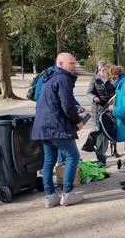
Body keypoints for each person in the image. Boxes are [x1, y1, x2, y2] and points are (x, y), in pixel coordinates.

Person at [32, 52, 85, 208]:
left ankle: (50, 196)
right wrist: (77, 121)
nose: (73, 67)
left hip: (42, 126)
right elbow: (67, 106)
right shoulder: (63, 78)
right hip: (55, 125)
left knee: (49, 160)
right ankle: (67, 193)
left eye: (74, 63)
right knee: (73, 156)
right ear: (60, 64)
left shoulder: (49, 78)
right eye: (71, 64)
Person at [81, 60, 116, 165]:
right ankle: (100, 156)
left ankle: (112, 150)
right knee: (100, 133)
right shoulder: (95, 79)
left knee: (108, 132)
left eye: (105, 69)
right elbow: (89, 93)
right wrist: (94, 98)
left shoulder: (112, 78)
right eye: (102, 70)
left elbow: (117, 91)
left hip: (110, 109)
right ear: (98, 70)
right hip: (98, 109)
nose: (103, 71)